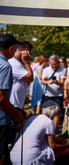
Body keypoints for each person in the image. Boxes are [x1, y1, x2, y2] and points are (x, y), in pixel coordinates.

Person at [10, 100, 68, 165]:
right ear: (53, 113)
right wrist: (67, 145)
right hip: (29, 158)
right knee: (54, 152)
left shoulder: (32, 118)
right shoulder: (48, 122)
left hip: (14, 155)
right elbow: (52, 146)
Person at [0, 34, 25, 165]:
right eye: (15, 47)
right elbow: (1, 98)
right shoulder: (5, 65)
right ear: (11, 48)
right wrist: (16, 114)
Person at [41, 55, 67, 130]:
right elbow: (42, 81)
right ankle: (44, 129)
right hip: (48, 94)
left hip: (58, 95)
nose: (54, 66)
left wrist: (56, 82)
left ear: (58, 63)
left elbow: (62, 82)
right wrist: (48, 82)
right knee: (45, 113)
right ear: (49, 63)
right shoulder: (46, 70)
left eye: (56, 64)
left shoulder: (63, 70)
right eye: (52, 64)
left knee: (57, 113)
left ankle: (53, 131)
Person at [9, 41, 34, 111]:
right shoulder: (14, 63)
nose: (29, 56)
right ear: (26, 51)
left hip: (16, 103)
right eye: (30, 53)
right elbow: (30, 78)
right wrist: (26, 61)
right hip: (13, 104)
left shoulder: (15, 62)